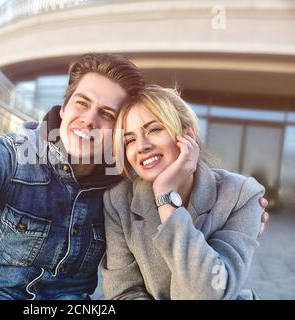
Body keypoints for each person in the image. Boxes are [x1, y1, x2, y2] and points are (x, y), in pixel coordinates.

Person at [0, 53, 269, 300]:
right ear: (65, 105)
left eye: (107, 114)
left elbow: (184, 170)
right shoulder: (12, 154)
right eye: (82, 103)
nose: (89, 120)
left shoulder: (122, 184)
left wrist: (239, 206)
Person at [102, 85, 265, 300]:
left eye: (154, 129)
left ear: (187, 136)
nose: (141, 146)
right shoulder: (118, 201)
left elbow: (209, 293)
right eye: (129, 140)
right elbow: (123, 294)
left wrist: (166, 198)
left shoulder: (241, 195)